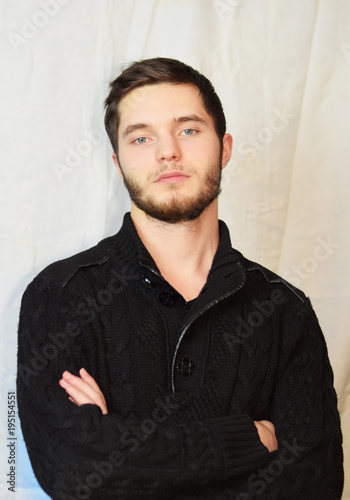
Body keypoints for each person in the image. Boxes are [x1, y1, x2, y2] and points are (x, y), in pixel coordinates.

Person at [17, 57, 343, 500]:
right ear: (117, 162)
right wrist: (245, 440)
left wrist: (118, 444)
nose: (167, 151)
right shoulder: (61, 295)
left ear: (224, 147)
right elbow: (73, 473)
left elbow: (313, 485)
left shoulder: (285, 310)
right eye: (141, 137)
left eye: (188, 129)